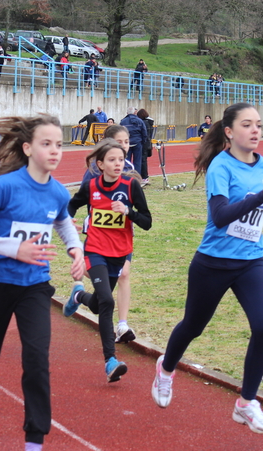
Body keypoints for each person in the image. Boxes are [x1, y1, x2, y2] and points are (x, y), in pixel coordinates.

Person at [0, 114, 85, 451]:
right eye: (46, 144)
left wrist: (75, 248)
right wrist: (14, 248)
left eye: (59, 144)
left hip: (34, 286)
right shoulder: (6, 186)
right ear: (27, 147)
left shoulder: (56, 192)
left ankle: (34, 442)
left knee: (37, 359)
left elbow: (63, 221)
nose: (55, 151)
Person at [151, 103, 263, 436]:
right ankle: (166, 368)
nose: (256, 130)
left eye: (258, 124)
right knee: (193, 326)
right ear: (229, 132)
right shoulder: (220, 167)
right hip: (213, 263)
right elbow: (222, 215)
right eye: (247, 125)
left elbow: (260, 199)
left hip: (250, 261)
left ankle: (245, 403)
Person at [65, 138, 152, 381]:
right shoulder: (91, 186)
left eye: (121, 160)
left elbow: (147, 222)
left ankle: (79, 296)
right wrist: (67, 220)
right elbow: (72, 205)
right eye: (112, 160)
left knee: (97, 303)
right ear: (100, 164)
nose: (117, 164)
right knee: (107, 301)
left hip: (119, 253)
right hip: (94, 249)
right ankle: (110, 361)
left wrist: (129, 212)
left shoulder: (131, 186)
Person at [79, 124, 138, 343]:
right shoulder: (94, 170)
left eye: (127, 141)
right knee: (104, 283)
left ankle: (122, 325)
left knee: (124, 274)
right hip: (100, 235)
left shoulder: (128, 166)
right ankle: (82, 279)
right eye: (120, 142)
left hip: (123, 235)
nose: (125, 146)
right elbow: (87, 201)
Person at [136, 108, 154, 185]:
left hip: (144, 143)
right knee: (144, 160)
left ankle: (144, 177)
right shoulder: (150, 123)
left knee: (142, 160)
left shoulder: (143, 123)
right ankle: (144, 177)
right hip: (148, 143)